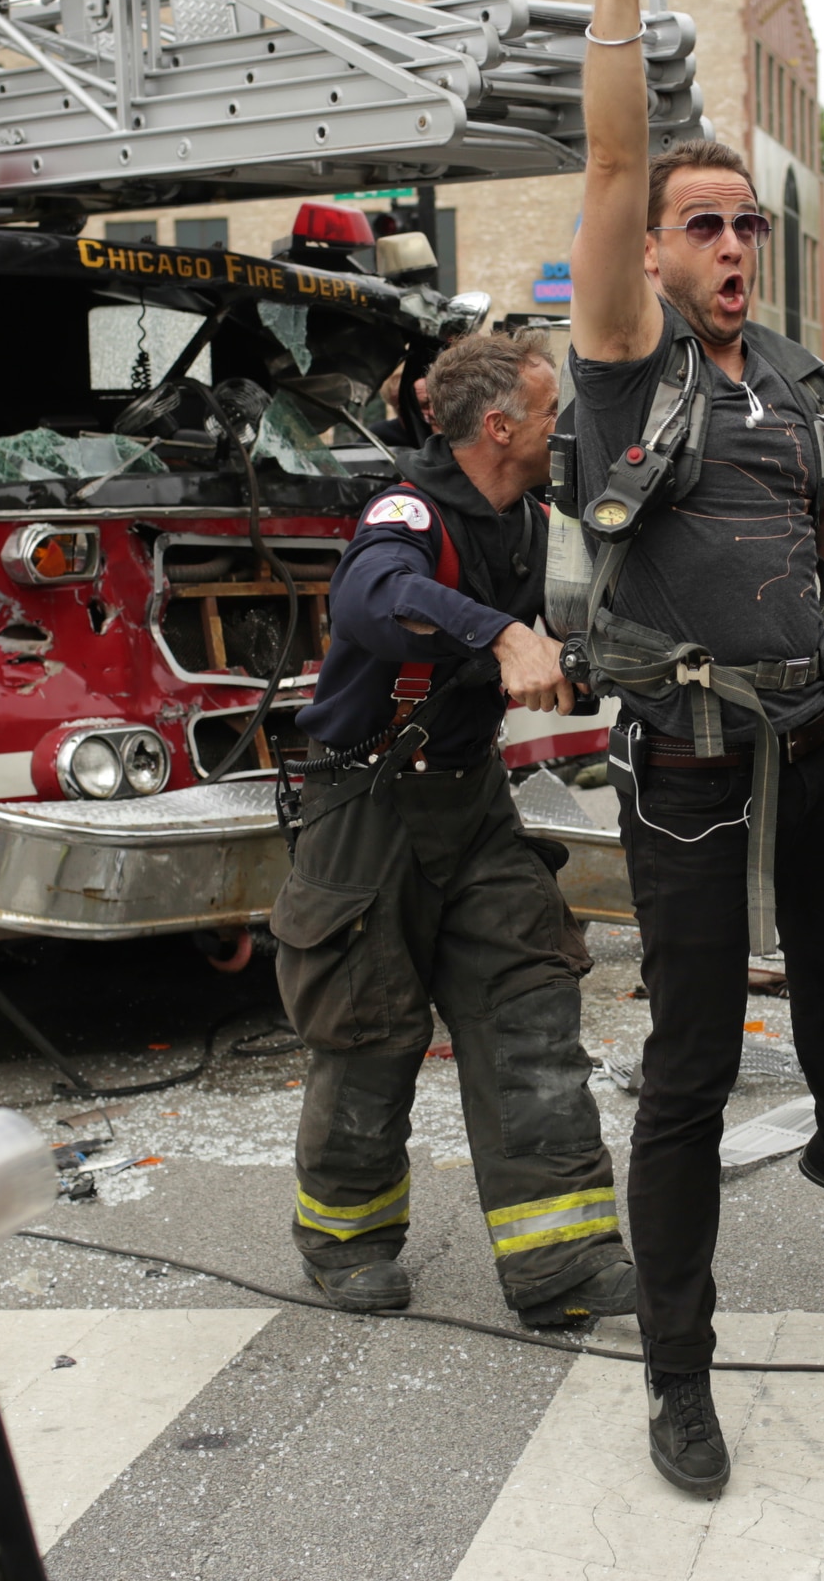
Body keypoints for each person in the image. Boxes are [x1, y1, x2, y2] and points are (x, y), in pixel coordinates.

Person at [571, 0, 824, 1498]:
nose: (732, 245)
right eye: (703, 225)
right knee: (695, 1064)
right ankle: (679, 1375)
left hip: (812, 736)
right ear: (655, 255)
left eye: (747, 226)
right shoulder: (622, 364)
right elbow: (605, 154)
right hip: (686, 756)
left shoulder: (797, 383)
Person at [270, 332, 638, 1333]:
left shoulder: (533, 521)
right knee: (369, 1028)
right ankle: (346, 1242)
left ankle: (561, 1256)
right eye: (550, 409)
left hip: (471, 804)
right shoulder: (408, 511)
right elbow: (370, 597)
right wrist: (498, 631)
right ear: (498, 425)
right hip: (367, 808)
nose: (563, 426)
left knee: (529, 1005)